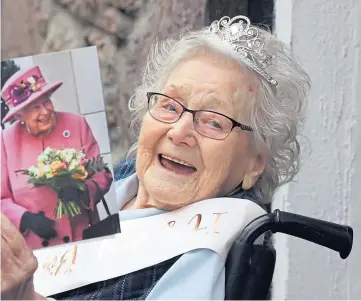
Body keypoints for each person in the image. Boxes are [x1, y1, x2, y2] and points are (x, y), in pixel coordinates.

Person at [1, 15, 310, 300]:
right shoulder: (121, 179)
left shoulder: (213, 243)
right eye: (169, 105)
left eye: (214, 121)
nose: (179, 131)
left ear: (255, 163)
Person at [1, 65, 114, 250]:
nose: (44, 111)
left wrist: (83, 191)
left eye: (46, 101)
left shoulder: (76, 124)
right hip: (35, 247)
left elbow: (103, 174)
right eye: (34, 107)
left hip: (83, 239)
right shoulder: (5, 142)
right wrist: (25, 219)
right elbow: (1, 199)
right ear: (19, 115)